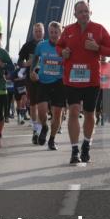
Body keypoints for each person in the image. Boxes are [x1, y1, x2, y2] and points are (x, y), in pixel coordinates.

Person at [57, 1, 110, 164]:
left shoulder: (99, 29)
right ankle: (74, 149)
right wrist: (62, 52)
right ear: (75, 14)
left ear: (91, 12)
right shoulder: (68, 30)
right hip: (72, 79)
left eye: (86, 11)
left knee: (90, 114)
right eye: (80, 12)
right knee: (74, 111)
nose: (84, 14)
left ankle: (86, 145)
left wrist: (97, 47)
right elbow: (59, 47)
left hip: (92, 80)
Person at [29, 21, 66, 149]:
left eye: (56, 32)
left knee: (57, 113)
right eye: (51, 32)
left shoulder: (65, 47)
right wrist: (32, 71)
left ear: (60, 33)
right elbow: (35, 58)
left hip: (59, 82)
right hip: (43, 81)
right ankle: (44, 127)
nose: (54, 35)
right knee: (42, 112)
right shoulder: (41, 45)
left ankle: (52, 139)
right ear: (48, 32)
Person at [19, 23, 46, 143]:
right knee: (34, 105)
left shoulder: (48, 45)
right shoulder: (27, 45)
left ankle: (41, 129)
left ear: (43, 32)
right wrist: (25, 64)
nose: (38, 33)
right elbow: (20, 61)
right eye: (36, 31)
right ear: (33, 33)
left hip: (45, 78)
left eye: (40, 31)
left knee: (42, 106)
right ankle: (36, 130)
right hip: (31, 79)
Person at [97, 58, 110, 126]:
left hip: (108, 87)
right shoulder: (97, 64)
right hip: (98, 87)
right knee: (98, 103)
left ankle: (107, 116)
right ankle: (98, 116)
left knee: (108, 103)